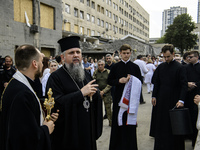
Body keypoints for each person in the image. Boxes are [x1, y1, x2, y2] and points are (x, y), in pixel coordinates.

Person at [46, 36, 103, 150]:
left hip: (87, 127)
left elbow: (94, 92)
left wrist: (94, 93)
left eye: (78, 52)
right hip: (69, 132)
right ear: (63, 57)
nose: (76, 55)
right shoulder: (55, 77)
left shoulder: (85, 74)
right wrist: (81, 94)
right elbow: (56, 103)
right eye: (71, 53)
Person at [0, 45, 57, 150]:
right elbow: (25, 139)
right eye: (41, 61)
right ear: (34, 64)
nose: (42, 64)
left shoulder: (17, 84)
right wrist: (46, 129)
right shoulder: (22, 93)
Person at [150, 44, 187, 150]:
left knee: (174, 126)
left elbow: (184, 85)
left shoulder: (180, 67)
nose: (166, 59)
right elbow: (156, 82)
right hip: (161, 100)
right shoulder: (161, 67)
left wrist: (181, 100)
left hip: (175, 100)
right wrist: (154, 96)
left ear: (173, 54)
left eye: (168, 57)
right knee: (162, 125)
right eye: (164, 57)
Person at [108, 44, 142, 150]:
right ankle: (117, 146)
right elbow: (109, 81)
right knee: (118, 122)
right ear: (120, 53)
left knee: (130, 123)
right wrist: (119, 81)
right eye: (124, 53)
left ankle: (130, 146)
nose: (126, 55)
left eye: (128, 53)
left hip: (131, 100)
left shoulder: (135, 67)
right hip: (119, 99)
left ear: (130, 53)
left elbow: (140, 82)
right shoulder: (115, 66)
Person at [185, 50, 200, 147]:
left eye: (191, 57)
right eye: (188, 57)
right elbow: (182, 79)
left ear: (197, 57)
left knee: (196, 119)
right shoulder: (186, 67)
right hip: (188, 96)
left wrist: (195, 84)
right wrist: (187, 84)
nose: (189, 59)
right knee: (188, 118)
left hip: (198, 95)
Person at [93, 59, 112, 126]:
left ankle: (111, 122)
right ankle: (98, 123)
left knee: (108, 109)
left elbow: (110, 83)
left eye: (102, 65)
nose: (100, 66)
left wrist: (104, 91)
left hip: (107, 93)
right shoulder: (95, 72)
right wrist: (99, 91)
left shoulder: (108, 72)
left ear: (104, 65)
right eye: (99, 65)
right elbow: (93, 82)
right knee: (97, 109)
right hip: (98, 93)